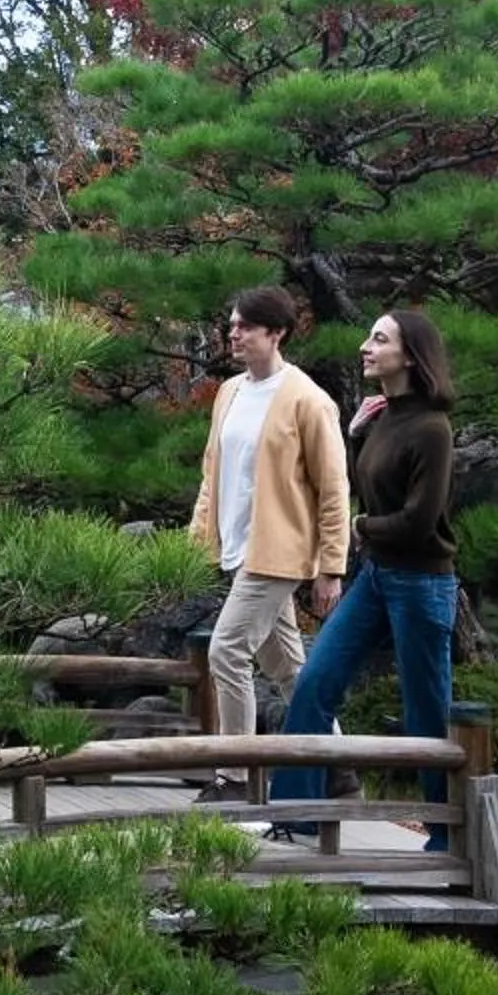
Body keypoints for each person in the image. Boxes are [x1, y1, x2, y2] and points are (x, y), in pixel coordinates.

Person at [269, 309, 460, 851]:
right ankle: (298, 812)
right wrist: (355, 438)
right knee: (314, 682)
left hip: (422, 583)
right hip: (378, 577)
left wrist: (359, 527)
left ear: (411, 354)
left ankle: (447, 833)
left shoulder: (432, 428)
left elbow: (419, 521)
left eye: (379, 339)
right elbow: (378, 488)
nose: (364, 347)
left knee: (426, 711)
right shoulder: (383, 416)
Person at [188, 285, 351, 768]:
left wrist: (331, 566)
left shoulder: (308, 400)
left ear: (276, 333)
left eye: (245, 326)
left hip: (280, 553)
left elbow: (333, 488)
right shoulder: (229, 392)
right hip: (238, 550)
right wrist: (195, 542)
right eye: (232, 325)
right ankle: (340, 769)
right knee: (287, 669)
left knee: (227, 651)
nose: (233, 334)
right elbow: (211, 473)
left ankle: (235, 773)